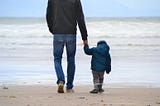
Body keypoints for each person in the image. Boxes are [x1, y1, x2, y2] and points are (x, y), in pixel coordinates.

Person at [46, 0, 88, 93]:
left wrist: (52, 29)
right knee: (71, 59)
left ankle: (61, 80)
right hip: (71, 33)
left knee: (57, 59)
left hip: (58, 32)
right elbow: (80, 18)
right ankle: (69, 87)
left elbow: (48, 16)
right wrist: (84, 37)